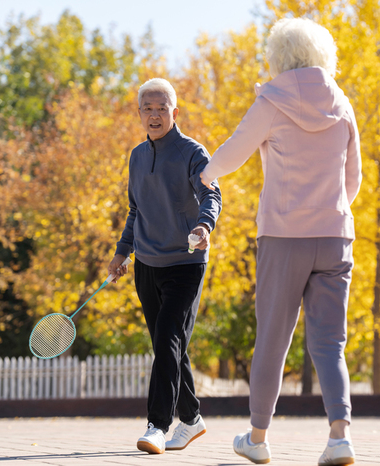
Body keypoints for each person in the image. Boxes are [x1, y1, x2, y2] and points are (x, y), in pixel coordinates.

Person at [200, 17, 362, 466]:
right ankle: (339, 437)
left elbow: (236, 149)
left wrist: (204, 175)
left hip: (283, 236)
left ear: (279, 56)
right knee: (330, 343)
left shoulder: (272, 100)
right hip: (335, 236)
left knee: (273, 338)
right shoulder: (343, 104)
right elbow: (354, 179)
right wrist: (328, 210)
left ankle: (257, 437)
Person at [109, 77, 222, 455]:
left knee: (168, 339)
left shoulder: (193, 152)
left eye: (162, 108)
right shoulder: (137, 156)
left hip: (186, 263)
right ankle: (191, 419)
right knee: (167, 345)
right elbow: (135, 209)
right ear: (139, 113)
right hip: (147, 264)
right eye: (148, 108)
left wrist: (204, 225)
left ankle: (158, 425)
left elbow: (211, 193)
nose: (154, 115)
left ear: (175, 112)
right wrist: (123, 251)